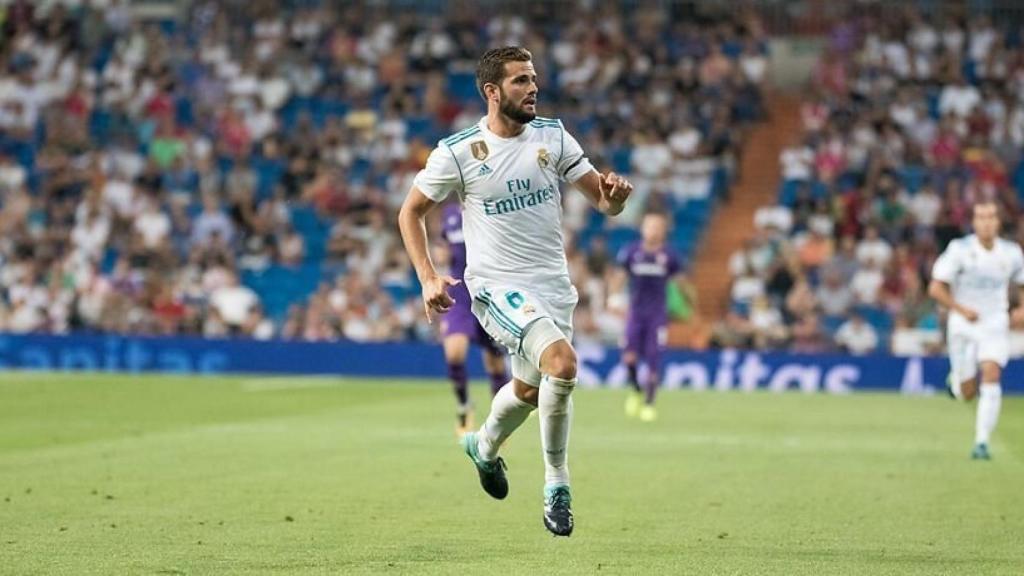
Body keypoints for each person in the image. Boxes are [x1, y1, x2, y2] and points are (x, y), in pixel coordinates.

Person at [398, 46, 633, 536]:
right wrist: (427, 275)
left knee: (528, 391)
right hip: (495, 286)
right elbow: (411, 211)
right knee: (563, 365)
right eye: (521, 81)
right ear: (492, 91)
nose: (533, 89)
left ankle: (483, 447)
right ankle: (557, 486)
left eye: (533, 79)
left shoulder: (553, 135)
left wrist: (612, 202)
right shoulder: (459, 151)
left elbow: (602, 202)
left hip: (552, 286)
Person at [928, 201, 1024, 460]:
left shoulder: (1012, 253)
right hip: (963, 323)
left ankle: (981, 442)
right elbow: (936, 288)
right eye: (981, 217)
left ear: (998, 221)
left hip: (994, 322)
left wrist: (1021, 309)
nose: (987, 222)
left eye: (991, 216)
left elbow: (1021, 282)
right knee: (967, 392)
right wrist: (960, 308)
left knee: (991, 374)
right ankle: (957, 382)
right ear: (974, 222)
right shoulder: (959, 250)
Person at [438, 202, 509, 436]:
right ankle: (464, 404)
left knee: (495, 362)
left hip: (486, 291)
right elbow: (443, 247)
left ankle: (500, 419)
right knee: (454, 353)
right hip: (459, 295)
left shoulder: (489, 204)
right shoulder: (449, 214)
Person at [617, 213, 685, 422]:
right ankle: (636, 390)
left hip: (657, 316)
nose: (653, 230)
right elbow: (619, 277)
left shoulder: (670, 256)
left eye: (657, 227)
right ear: (643, 228)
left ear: (663, 231)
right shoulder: (631, 252)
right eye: (649, 226)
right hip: (635, 314)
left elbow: (680, 283)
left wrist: (685, 307)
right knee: (629, 357)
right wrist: (613, 299)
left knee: (654, 361)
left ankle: (649, 403)